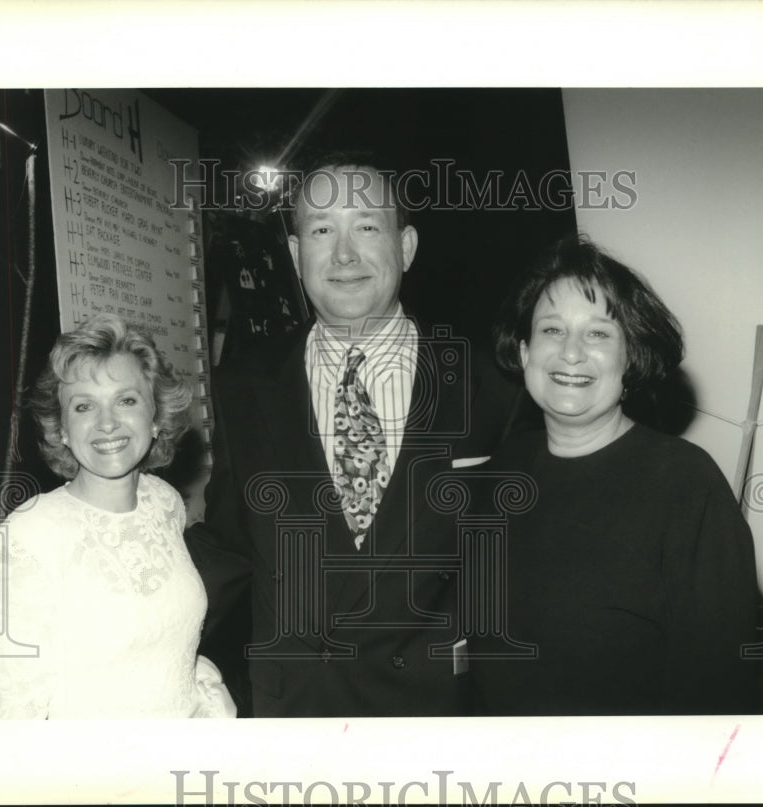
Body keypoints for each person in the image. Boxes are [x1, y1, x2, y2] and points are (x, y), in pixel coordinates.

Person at [186, 153, 524, 717]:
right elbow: (230, 547)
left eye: (367, 226)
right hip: (294, 719)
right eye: (321, 230)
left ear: (407, 247)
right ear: (296, 254)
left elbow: (528, 563)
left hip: (437, 721)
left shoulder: (492, 386)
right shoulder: (244, 386)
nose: (344, 254)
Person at [469, 234, 763, 715]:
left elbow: (717, 697)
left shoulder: (687, 487)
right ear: (524, 352)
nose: (570, 353)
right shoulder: (503, 471)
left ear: (630, 359)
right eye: (551, 330)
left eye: (599, 333)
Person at [0, 314, 236, 719]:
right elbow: (14, 715)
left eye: (127, 400)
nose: (106, 423)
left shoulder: (164, 502)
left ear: (155, 416)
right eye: (84, 406)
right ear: (62, 427)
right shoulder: (29, 535)